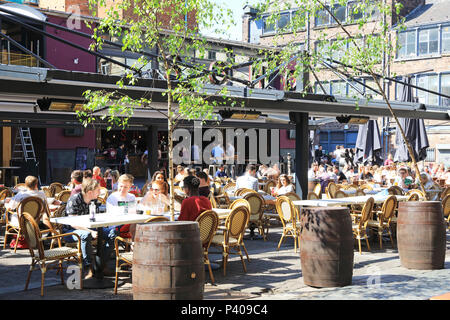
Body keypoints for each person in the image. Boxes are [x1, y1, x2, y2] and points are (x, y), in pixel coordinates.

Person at [63, 179, 116, 278]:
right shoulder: (74, 199)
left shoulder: (94, 200)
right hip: (71, 232)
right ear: (90, 192)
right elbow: (73, 223)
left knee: (113, 232)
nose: (100, 192)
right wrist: (90, 231)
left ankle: (101, 264)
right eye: (98, 190)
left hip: (91, 228)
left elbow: (95, 218)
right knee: (85, 234)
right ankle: (88, 267)